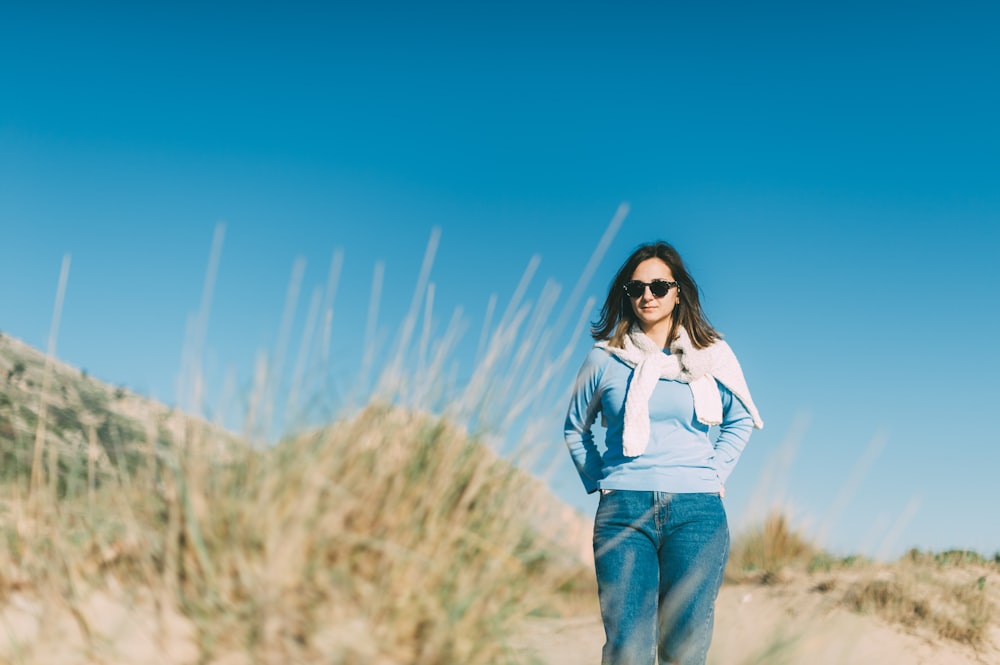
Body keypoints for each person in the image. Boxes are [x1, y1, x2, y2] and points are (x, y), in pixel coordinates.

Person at [564, 241, 763, 665]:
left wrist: (715, 474)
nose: (647, 296)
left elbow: (741, 419)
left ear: (678, 292)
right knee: (628, 651)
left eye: (658, 285)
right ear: (626, 295)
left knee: (684, 649)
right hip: (623, 511)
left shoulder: (712, 355)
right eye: (635, 289)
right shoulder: (605, 359)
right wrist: (604, 480)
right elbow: (575, 429)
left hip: (697, 512)